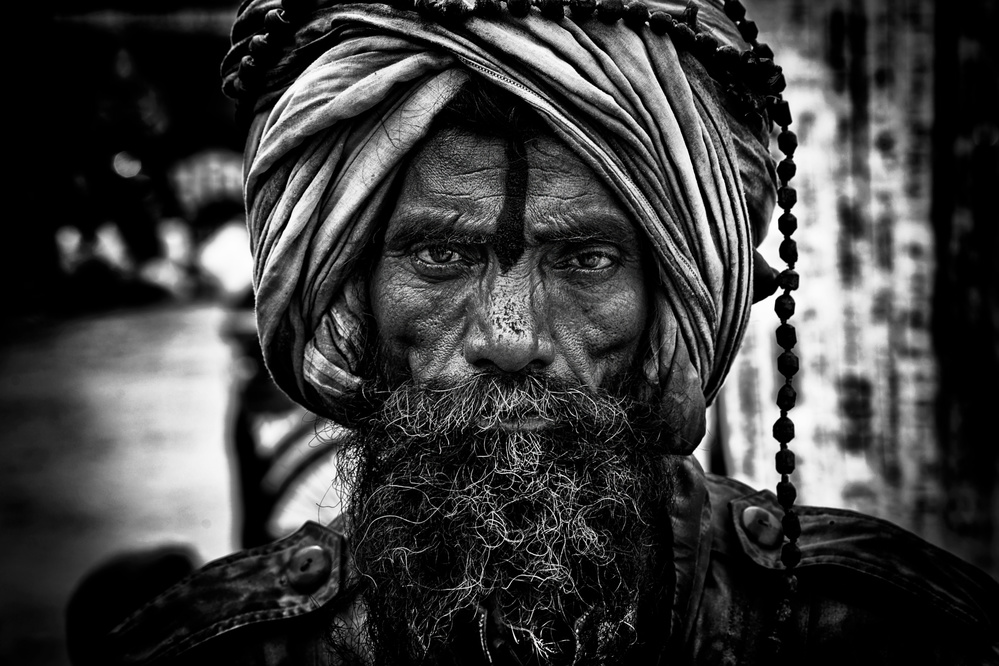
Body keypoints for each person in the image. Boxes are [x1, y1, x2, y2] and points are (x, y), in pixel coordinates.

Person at [74, 0, 999, 664]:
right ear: (350, 294)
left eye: (585, 260)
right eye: (441, 257)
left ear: (674, 304)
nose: (510, 337)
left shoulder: (893, 631)